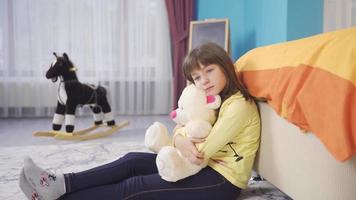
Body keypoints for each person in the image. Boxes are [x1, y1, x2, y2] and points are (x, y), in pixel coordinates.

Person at [19, 42, 261, 200]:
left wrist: (181, 141)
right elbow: (183, 128)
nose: (204, 81)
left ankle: (58, 198)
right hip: (201, 165)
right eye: (197, 77)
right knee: (132, 161)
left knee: (137, 187)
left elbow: (200, 152)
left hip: (221, 181)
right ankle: (62, 183)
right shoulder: (215, 99)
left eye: (209, 70)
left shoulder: (239, 105)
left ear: (225, 67)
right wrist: (178, 138)